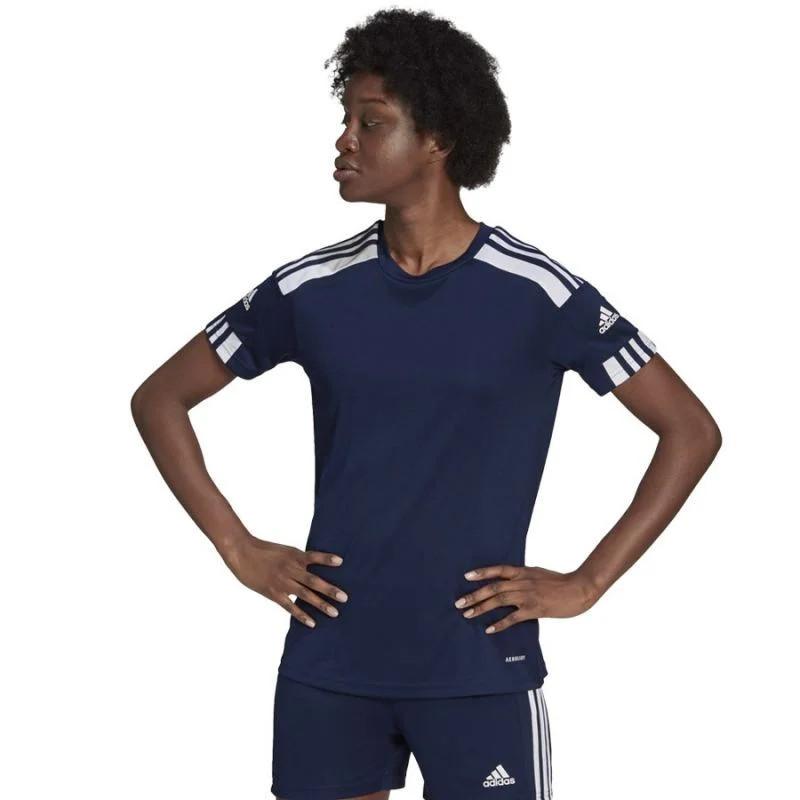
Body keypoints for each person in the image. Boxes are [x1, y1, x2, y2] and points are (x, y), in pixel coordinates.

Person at [131, 8, 722, 800]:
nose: (344, 140)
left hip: (478, 663)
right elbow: (160, 399)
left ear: (438, 138)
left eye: (371, 122)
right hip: (331, 661)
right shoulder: (310, 289)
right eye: (346, 119)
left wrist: (587, 583)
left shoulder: (536, 292)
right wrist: (237, 547)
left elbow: (689, 430)